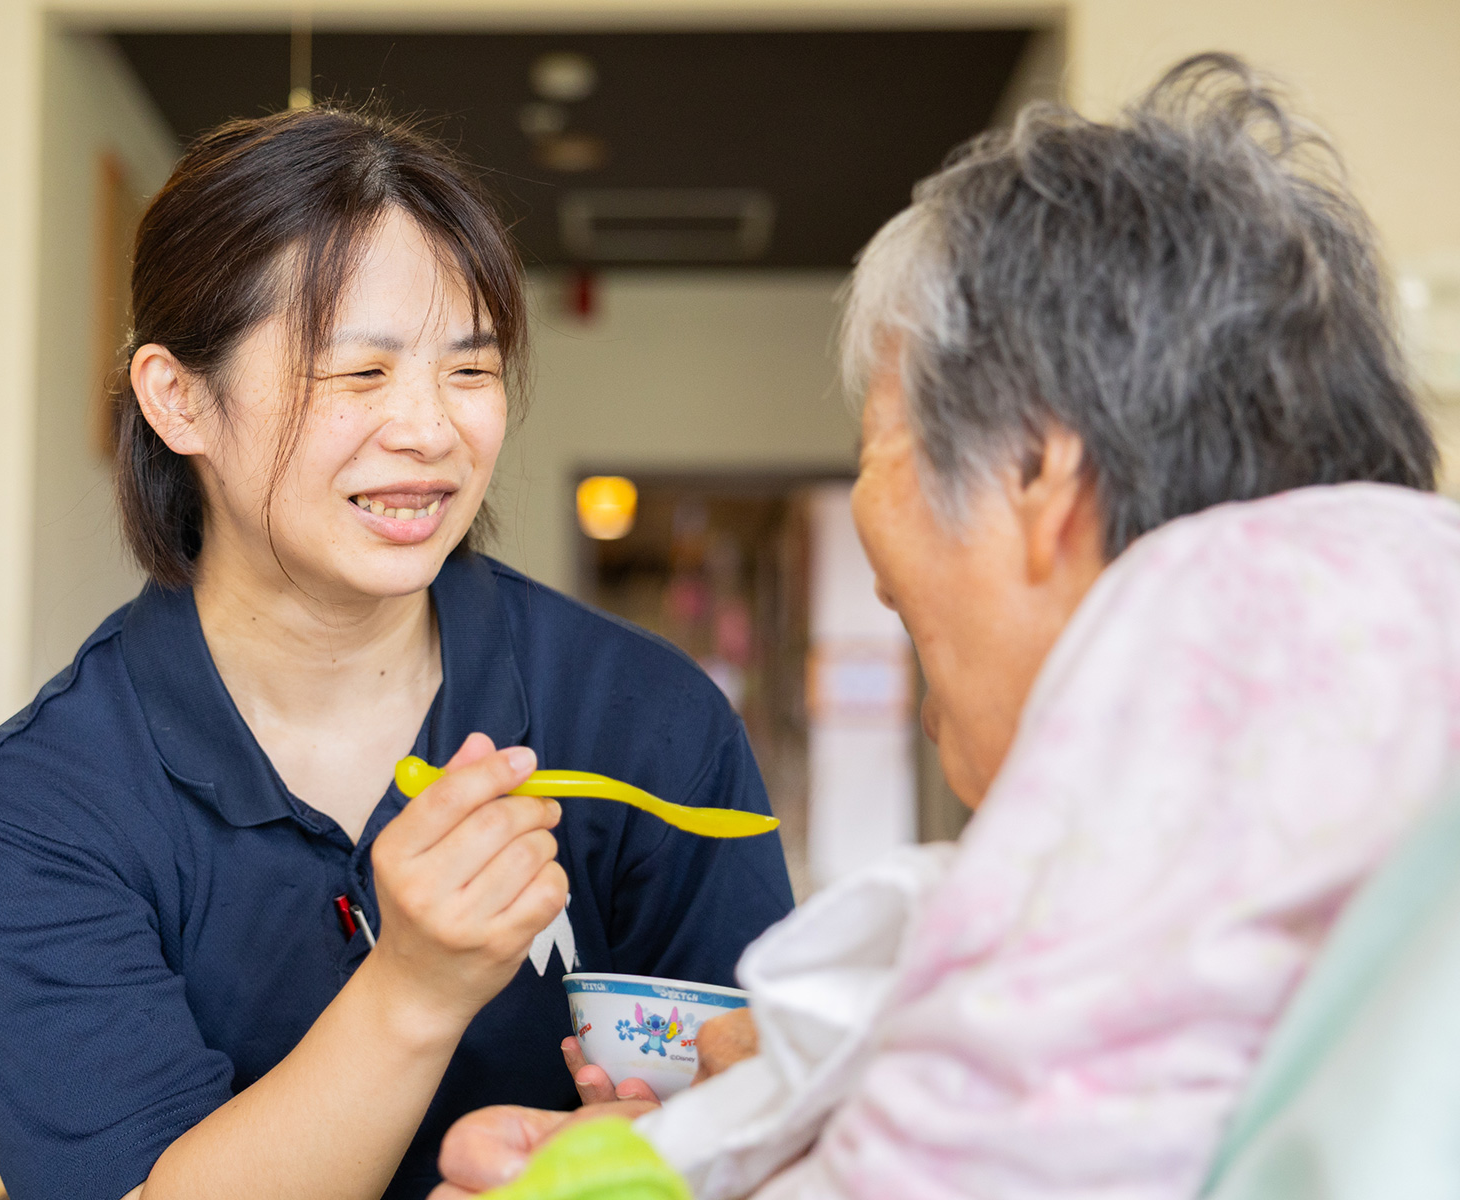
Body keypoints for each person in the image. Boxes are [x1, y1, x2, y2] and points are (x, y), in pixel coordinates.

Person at [433, 53, 1460, 1200]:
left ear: (1038, 472)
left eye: (882, 445)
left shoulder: (1206, 681)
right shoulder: (1395, 641)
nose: (876, 557)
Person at [0, 107, 792, 1200]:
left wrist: (688, 1147)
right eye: (360, 374)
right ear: (179, 399)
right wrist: (415, 988)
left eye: (469, 371)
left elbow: (784, 1113)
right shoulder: (31, 813)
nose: (429, 430)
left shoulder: (645, 717)